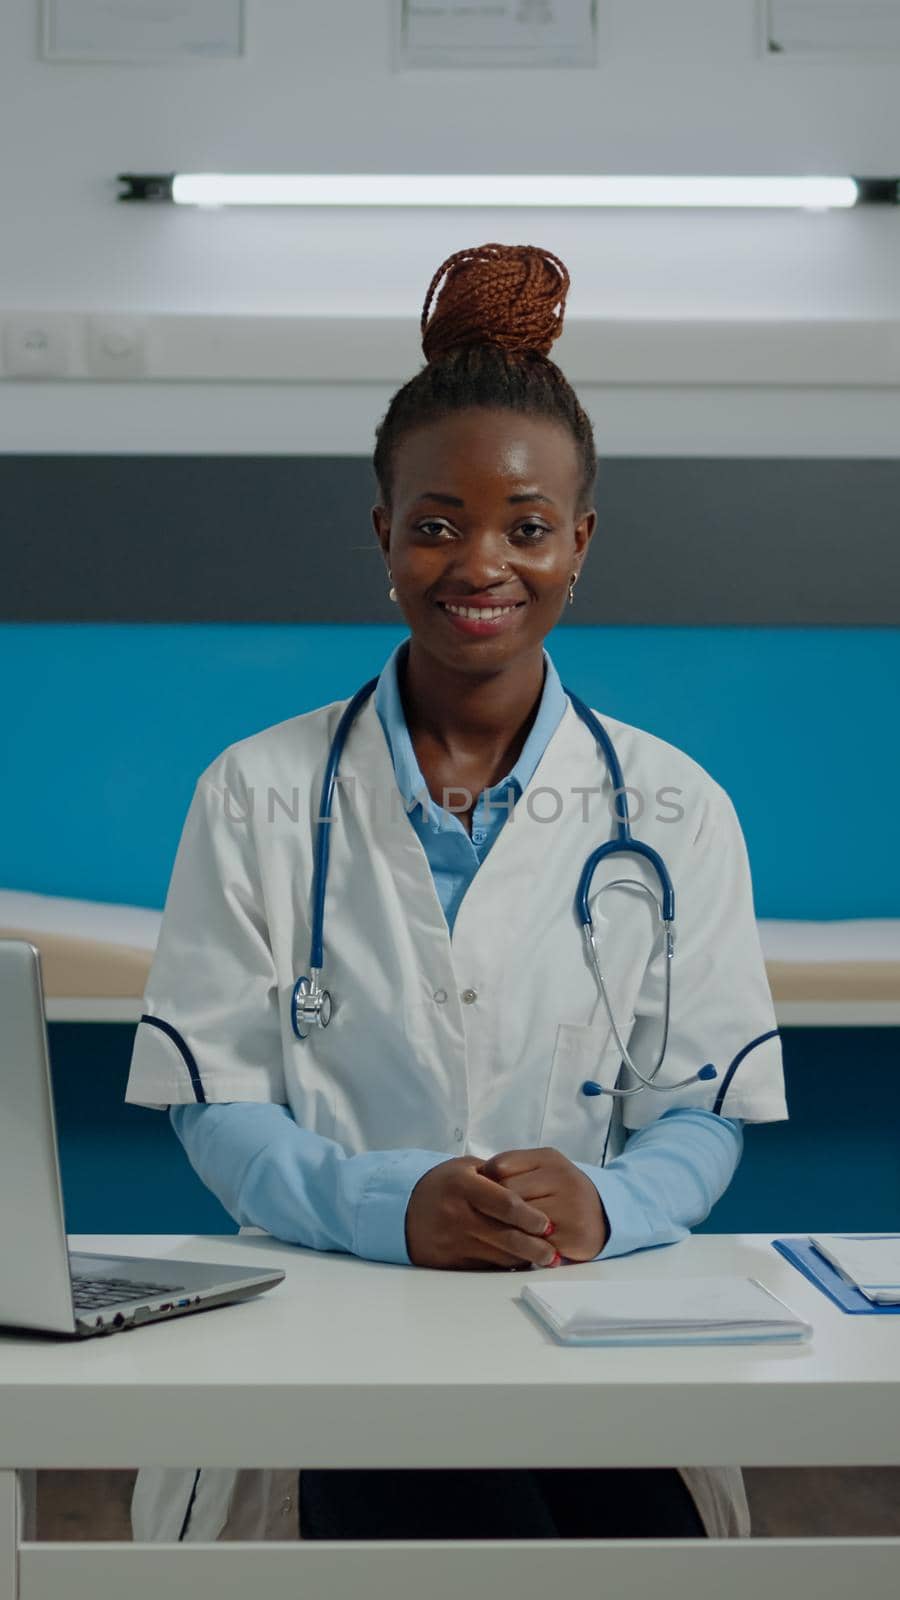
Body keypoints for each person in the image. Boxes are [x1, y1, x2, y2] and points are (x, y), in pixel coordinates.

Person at [125, 242, 787, 1543]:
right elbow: (215, 1103)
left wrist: (612, 1203)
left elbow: (703, 1109)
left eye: (527, 527)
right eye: (437, 524)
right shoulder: (255, 791)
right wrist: (389, 1205)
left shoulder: (677, 809)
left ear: (579, 544)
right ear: (385, 538)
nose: (481, 563)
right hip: (335, 1318)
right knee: (424, 1492)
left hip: (590, 1317)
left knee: (603, 1533)